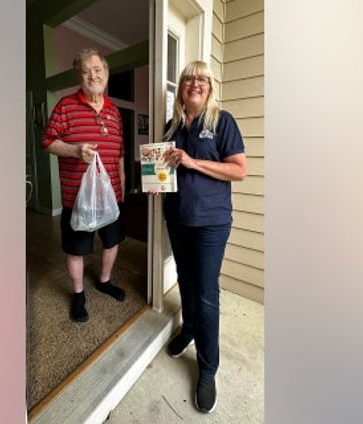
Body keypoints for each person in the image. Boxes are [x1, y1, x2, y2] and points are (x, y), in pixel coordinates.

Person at [160, 60, 247, 413]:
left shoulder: (221, 122)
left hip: (211, 222)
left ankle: (208, 369)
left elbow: (239, 170)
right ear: (181, 88)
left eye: (202, 78)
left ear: (210, 87)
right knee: (185, 279)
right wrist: (158, 183)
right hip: (178, 218)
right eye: (188, 78)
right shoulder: (173, 126)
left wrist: (194, 162)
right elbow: (166, 170)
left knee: (207, 293)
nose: (194, 83)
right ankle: (190, 328)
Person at [41, 48, 127, 323]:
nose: (93, 75)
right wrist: (75, 151)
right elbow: (47, 142)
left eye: (97, 69)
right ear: (79, 76)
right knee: (76, 248)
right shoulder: (66, 106)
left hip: (111, 197)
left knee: (112, 241)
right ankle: (78, 294)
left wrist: (122, 189)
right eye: (86, 71)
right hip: (76, 198)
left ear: (106, 73)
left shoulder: (114, 112)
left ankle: (104, 280)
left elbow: (120, 153)